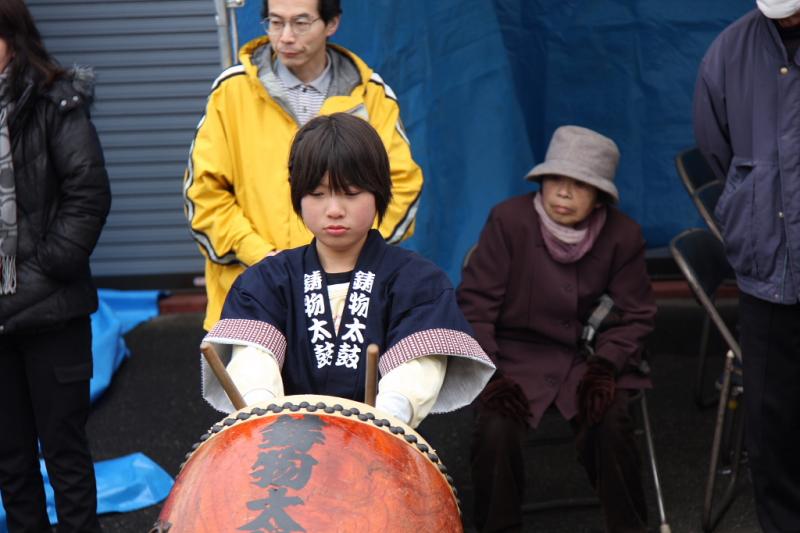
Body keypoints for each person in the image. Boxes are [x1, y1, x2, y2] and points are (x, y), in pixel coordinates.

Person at [200, 113, 493, 428]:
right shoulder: (266, 281)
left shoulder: (417, 282)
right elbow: (252, 362)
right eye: (317, 194)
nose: (334, 210)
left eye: (350, 193)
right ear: (297, 197)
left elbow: (418, 369)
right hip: (283, 450)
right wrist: (262, 414)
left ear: (378, 192)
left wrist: (389, 416)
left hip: (380, 452)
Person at [458, 126, 656, 533]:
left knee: (612, 421)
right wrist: (490, 374)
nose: (564, 193)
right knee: (495, 428)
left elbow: (637, 313)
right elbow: (474, 307)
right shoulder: (508, 220)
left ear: (599, 196)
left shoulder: (622, 234)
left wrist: (606, 366)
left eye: (580, 185)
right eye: (556, 180)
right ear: (542, 181)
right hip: (513, 359)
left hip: (586, 359)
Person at [184, 0, 424, 332]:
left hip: (346, 303)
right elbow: (203, 195)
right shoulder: (232, 92)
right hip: (250, 299)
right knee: (254, 385)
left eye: (300, 23)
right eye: (275, 22)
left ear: (331, 23)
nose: (284, 37)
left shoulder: (370, 96)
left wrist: (348, 253)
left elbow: (402, 186)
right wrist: (261, 257)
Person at [0, 1, 111, 531]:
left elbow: (86, 198)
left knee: (64, 452)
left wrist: (36, 279)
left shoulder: (56, 101)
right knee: (9, 461)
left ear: (13, 38)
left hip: (54, 312)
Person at [694, 1, 800, 530]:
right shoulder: (729, 51)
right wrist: (758, 195)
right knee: (770, 416)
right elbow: (718, 151)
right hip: (767, 263)